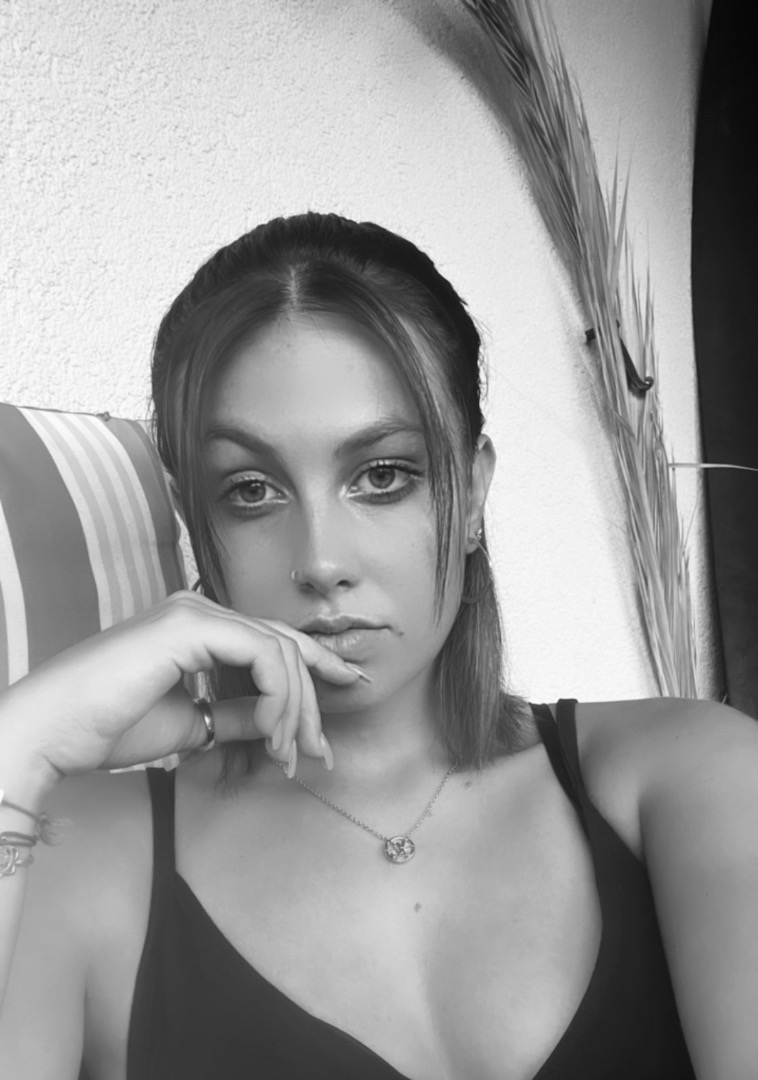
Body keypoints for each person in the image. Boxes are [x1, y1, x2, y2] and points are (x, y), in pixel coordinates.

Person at [0, 212, 756, 1080]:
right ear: (193, 516)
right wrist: (18, 745)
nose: (322, 561)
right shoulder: (80, 856)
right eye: (251, 490)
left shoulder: (692, 775)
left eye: (383, 475)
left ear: (472, 495)